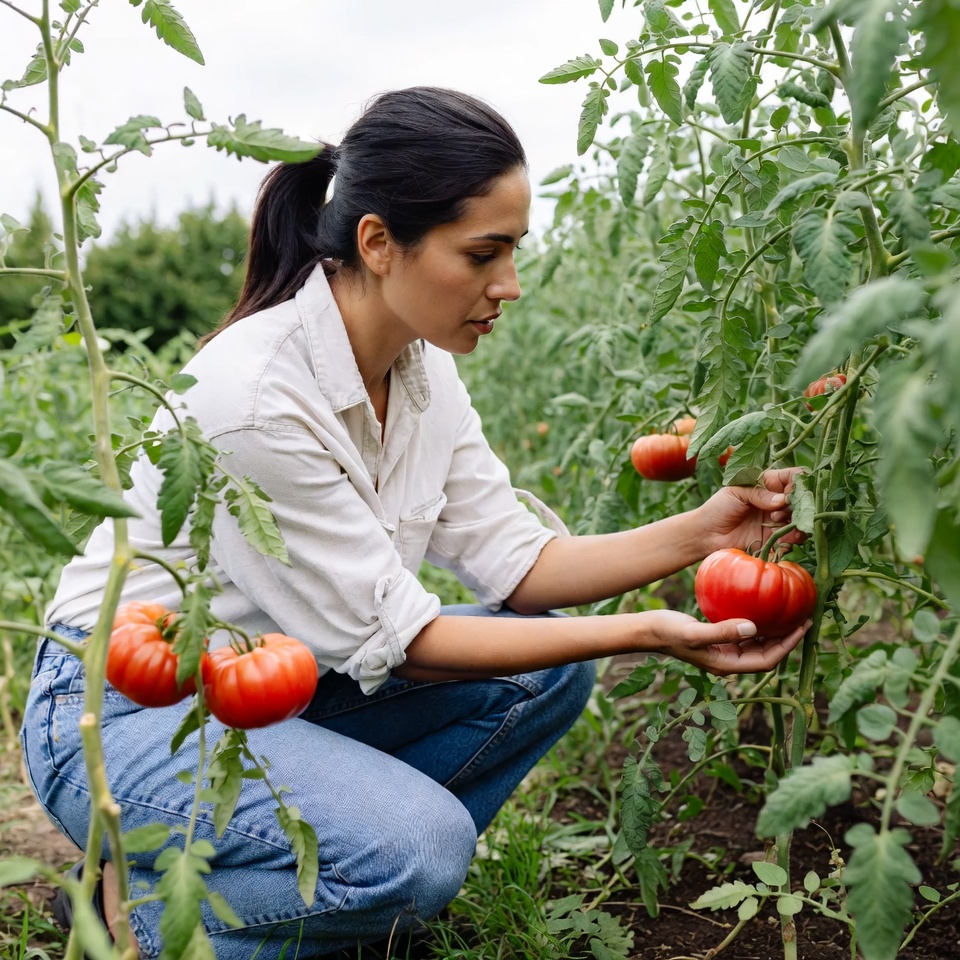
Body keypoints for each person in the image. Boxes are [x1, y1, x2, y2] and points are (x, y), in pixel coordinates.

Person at [19, 86, 806, 960]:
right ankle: (143, 925)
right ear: (378, 243)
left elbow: (519, 564)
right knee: (422, 849)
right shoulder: (255, 399)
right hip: (126, 712)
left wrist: (708, 529)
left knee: (546, 673)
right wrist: (647, 632)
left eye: (513, 251)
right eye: (482, 254)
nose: (507, 285)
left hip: (280, 686)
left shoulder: (419, 369)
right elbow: (410, 640)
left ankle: (329, 899)